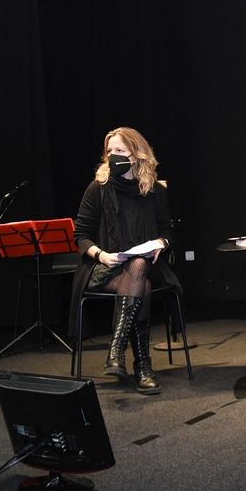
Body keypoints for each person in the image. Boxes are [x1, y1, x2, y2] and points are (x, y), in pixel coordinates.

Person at [72, 127, 175, 395]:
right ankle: (143, 366)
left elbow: (168, 231)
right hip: (105, 267)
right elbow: (81, 235)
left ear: (136, 153)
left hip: (146, 265)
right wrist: (101, 254)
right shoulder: (98, 188)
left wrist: (161, 244)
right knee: (142, 287)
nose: (113, 155)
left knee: (139, 267)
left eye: (120, 151)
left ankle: (116, 350)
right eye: (110, 151)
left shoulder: (154, 191)